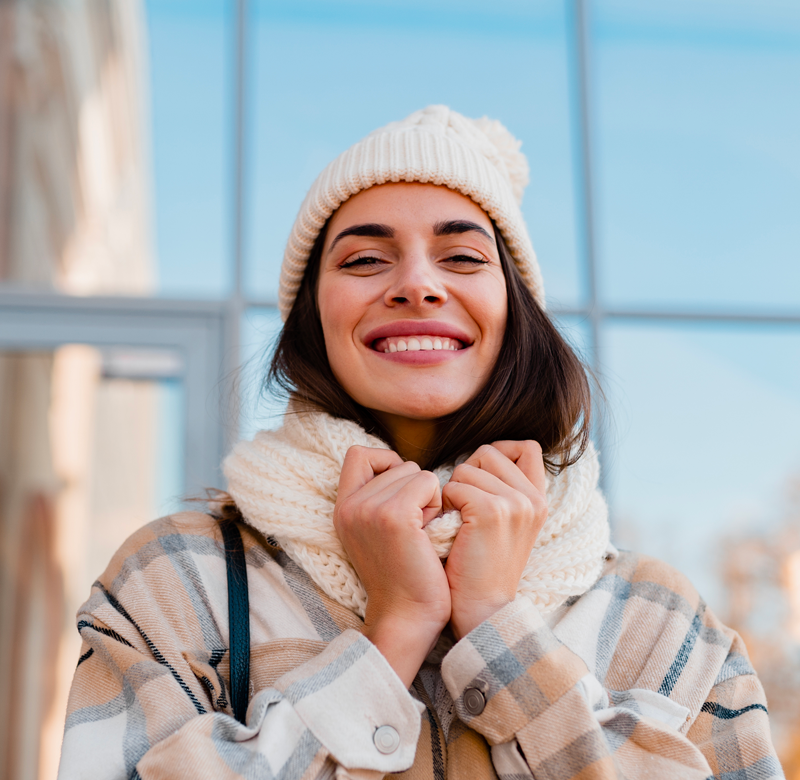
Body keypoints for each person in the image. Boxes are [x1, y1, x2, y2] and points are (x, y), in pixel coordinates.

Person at [58, 106, 783, 780]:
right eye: (365, 260)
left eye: (463, 258)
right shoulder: (180, 578)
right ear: (313, 320)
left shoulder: (659, 616)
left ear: (515, 312)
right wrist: (394, 630)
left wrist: (501, 625)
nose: (416, 284)